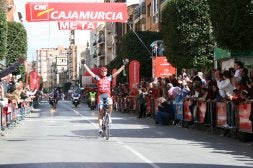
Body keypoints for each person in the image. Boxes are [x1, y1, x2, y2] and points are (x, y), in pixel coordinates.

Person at [81, 59, 129, 134]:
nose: (104, 72)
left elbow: (117, 72)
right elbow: (90, 72)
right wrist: (84, 64)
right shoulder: (98, 78)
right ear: (100, 72)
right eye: (102, 71)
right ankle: (100, 128)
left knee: (110, 103)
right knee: (100, 113)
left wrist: (124, 65)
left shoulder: (109, 78)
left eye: (105, 71)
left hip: (107, 96)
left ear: (107, 72)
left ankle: (109, 116)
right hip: (100, 97)